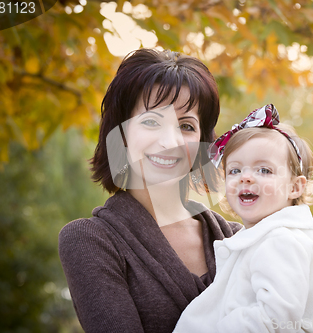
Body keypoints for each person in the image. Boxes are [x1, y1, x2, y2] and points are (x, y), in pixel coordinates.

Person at [58, 48, 242, 333]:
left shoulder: (241, 240)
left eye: (186, 125)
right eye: (152, 122)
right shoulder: (90, 241)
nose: (170, 141)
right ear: (121, 134)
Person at [173, 104, 313, 333]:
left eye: (264, 170)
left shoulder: (281, 241)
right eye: (235, 170)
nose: (246, 177)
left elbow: (275, 319)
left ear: (295, 187)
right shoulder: (273, 237)